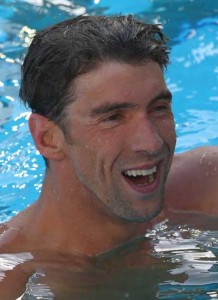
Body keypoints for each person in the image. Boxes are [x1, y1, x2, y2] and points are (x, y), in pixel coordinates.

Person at [0, 15, 217, 299]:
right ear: (47, 138)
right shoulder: (13, 278)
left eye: (159, 108)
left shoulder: (206, 188)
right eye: (113, 117)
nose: (151, 142)